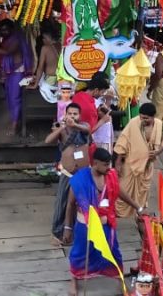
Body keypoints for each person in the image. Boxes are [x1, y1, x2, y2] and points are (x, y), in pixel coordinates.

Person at [62, 148, 141, 296]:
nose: (108, 167)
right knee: (80, 253)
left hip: (106, 223)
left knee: (114, 252)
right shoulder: (80, 179)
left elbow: (119, 191)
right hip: (85, 224)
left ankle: (119, 279)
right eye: (105, 164)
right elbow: (70, 204)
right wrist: (68, 227)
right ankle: (74, 279)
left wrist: (138, 207)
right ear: (95, 163)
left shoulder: (110, 175)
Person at [46, 102, 91, 245]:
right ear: (65, 114)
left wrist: (75, 125)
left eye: (75, 114)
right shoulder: (61, 128)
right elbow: (48, 141)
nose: (72, 116)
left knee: (83, 204)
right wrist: (62, 128)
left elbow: (87, 130)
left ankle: (81, 232)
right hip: (68, 172)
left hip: (83, 173)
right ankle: (58, 233)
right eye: (70, 113)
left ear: (80, 115)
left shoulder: (84, 126)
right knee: (62, 202)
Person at [114, 103, 163, 219]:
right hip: (130, 165)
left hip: (147, 167)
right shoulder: (133, 122)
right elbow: (122, 141)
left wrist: (157, 152)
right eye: (141, 117)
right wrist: (118, 162)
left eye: (146, 118)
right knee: (123, 192)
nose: (143, 120)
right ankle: (121, 217)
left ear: (154, 117)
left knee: (143, 192)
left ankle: (139, 215)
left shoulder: (160, 125)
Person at [0, 19, 33, 135]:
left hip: (17, 73)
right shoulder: (8, 37)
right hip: (11, 73)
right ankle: (14, 122)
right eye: (1, 30)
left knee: (14, 99)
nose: (3, 32)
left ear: (12, 30)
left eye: (6, 30)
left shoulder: (16, 40)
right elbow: (0, 33)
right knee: (10, 98)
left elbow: (6, 52)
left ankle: (14, 127)